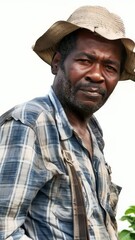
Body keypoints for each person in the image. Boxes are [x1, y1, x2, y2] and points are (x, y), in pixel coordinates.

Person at [0, 5, 135, 240]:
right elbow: (4, 229)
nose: (97, 74)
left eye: (110, 67)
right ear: (57, 63)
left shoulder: (93, 130)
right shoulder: (29, 124)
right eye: (85, 60)